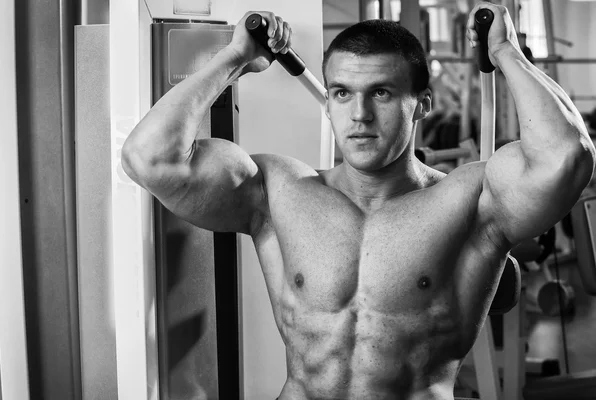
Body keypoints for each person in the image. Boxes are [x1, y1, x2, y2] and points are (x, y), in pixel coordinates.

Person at [122, 3, 595, 399]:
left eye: (382, 93)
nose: (360, 115)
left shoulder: (470, 201)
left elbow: (567, 157)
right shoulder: (279, 191)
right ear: (328, 103)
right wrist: (235, 57)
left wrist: (505, 51)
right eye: (342, 94)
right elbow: (150, 158)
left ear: (423, 104)